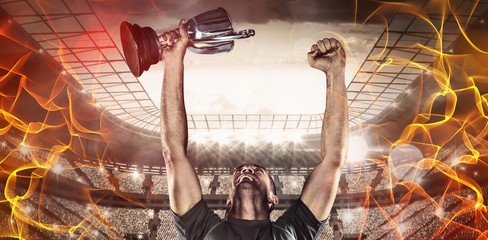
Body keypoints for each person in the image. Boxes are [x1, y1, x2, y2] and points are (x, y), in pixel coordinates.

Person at [159, 19, 348, 240]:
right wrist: (173, 64)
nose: (246, 169)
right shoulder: (203, 228)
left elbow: (333, 161)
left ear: (273, 198)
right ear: (228, 198)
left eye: (257, 170)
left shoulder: (294, 230)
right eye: (241, 171)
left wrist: (335, 72)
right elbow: (173, 154)